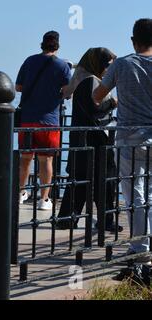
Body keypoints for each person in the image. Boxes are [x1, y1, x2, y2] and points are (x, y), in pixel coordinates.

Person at [93, 19, 152, 266]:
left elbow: (97, 97)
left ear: (132, 40)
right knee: (149, 192)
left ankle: (140, 247)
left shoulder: (122, 63)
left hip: (128, 137)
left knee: (134, 193)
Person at [56, 48, 123, 233]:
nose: (109, 69)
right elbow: (95, 109)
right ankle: (106, 220)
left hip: (82, 139)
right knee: (105, 181)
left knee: (79, 180)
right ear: (98, 64)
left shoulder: (83, 80)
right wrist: (113, 103)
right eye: (107, 65)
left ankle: (68, 218)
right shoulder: (91, 81)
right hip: (96, 140)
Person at [16, 31, 72, 210]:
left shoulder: (29, 61)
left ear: (42, 44)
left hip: (27, 119)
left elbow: (18, 87)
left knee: (25, 159)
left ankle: (20, 193)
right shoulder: (63, 66)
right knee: (46, 161)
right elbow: (68, 92)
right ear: (57, 45)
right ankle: (44, 199)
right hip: (49, 121)